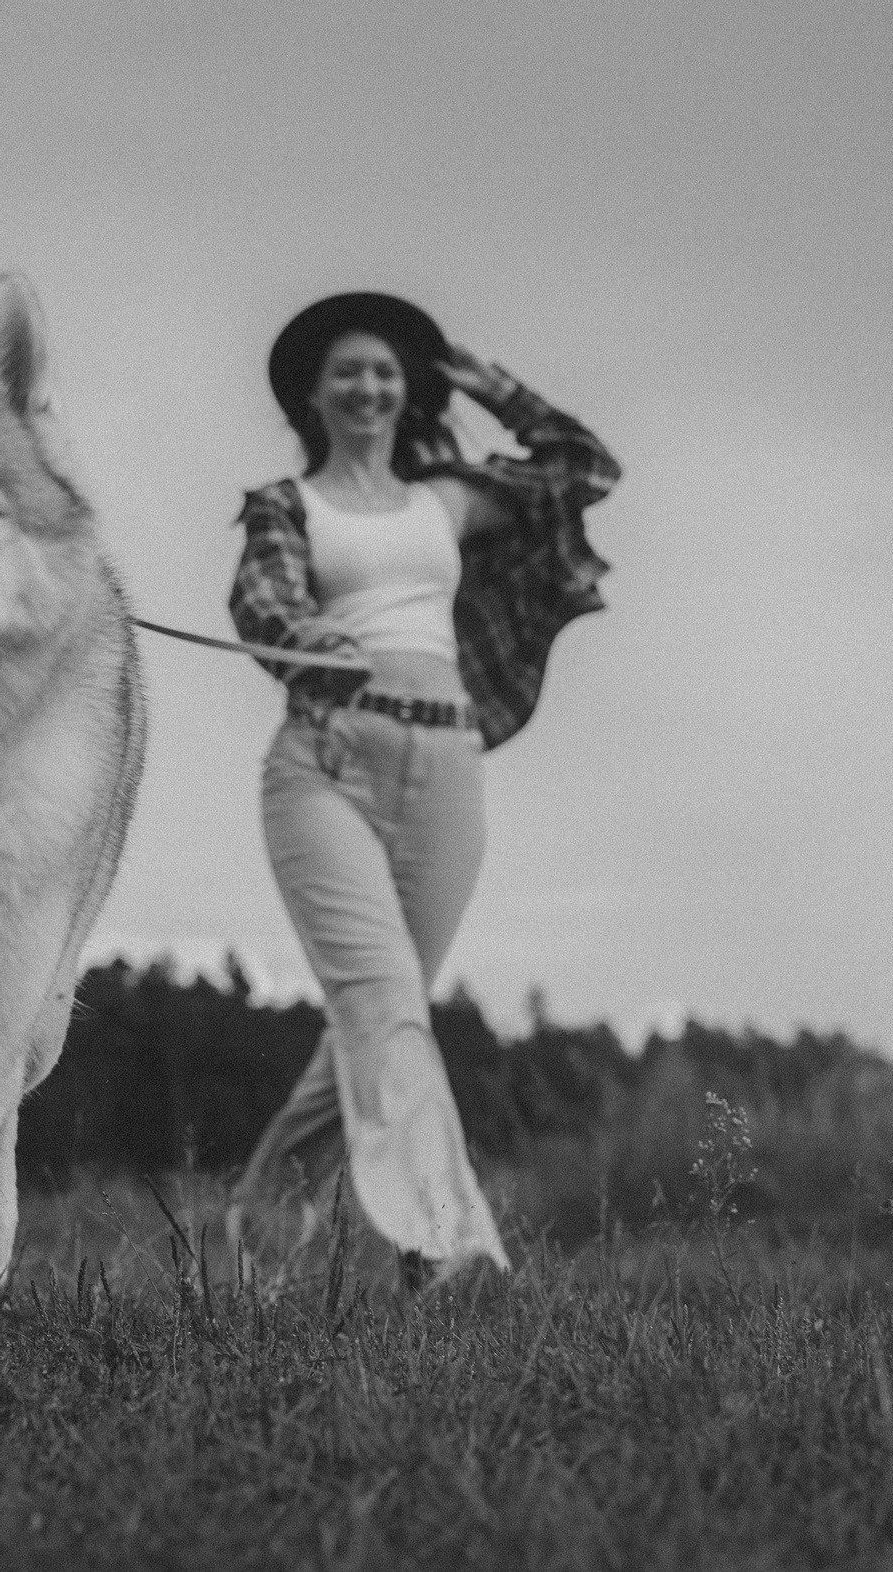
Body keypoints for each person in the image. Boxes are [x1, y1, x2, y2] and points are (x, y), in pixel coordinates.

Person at [225, 290, 619, 1287]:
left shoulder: (447, 499)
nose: (367, 385)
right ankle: (444, 1242)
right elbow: (261, 597)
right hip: (326, 767)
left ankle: (257, 1237)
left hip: (448, 769)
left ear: (409, 391)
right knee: (385, 1003)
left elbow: (584, 471)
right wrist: (306, 637)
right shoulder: (285, 506)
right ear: (313, 394)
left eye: (386, 371)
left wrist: (493, 388)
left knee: (373, 1021)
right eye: (348, 371)